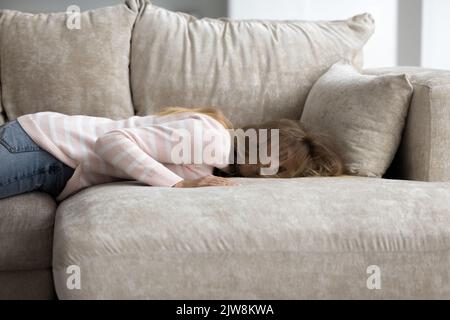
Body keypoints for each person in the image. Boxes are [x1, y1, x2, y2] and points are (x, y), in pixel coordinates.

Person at [0, 107, 344, 201]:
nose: (270, 168)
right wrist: (177, 185)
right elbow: (112, 141)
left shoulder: (221, 163)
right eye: (274, 153)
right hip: (46, 147)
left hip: (54, 157)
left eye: (282, 169)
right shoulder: (211, 139)